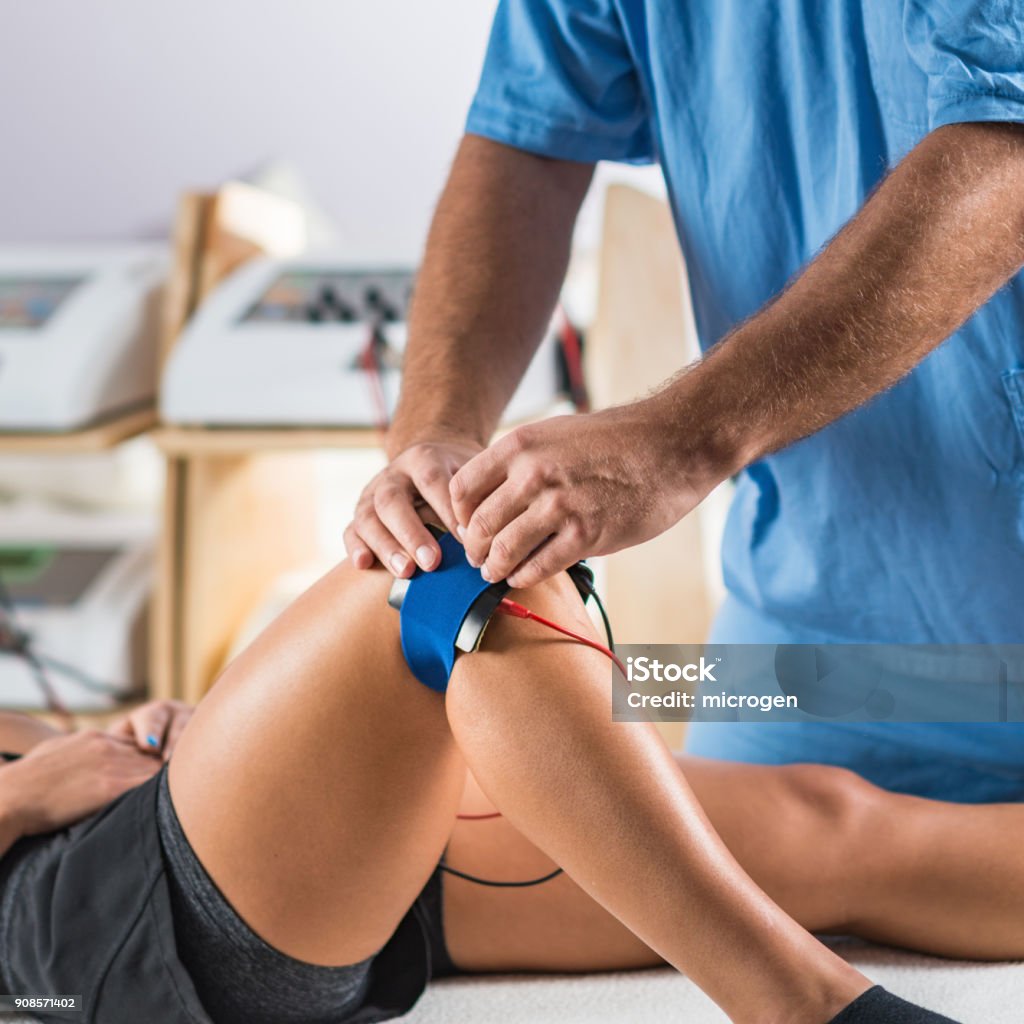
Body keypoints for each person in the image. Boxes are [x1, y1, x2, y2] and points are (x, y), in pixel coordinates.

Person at [343, 1, 1024, 801]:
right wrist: (437, 429)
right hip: (813, 643)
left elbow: (1005, 151)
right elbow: (527, 139)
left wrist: (679, 441)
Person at [5, 555, 1024, 1023]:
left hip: (265, 845)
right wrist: (26, 794)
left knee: (832, 820)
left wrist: (121, 732)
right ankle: (800, 1008)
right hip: (113, 911)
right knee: (441, 576)